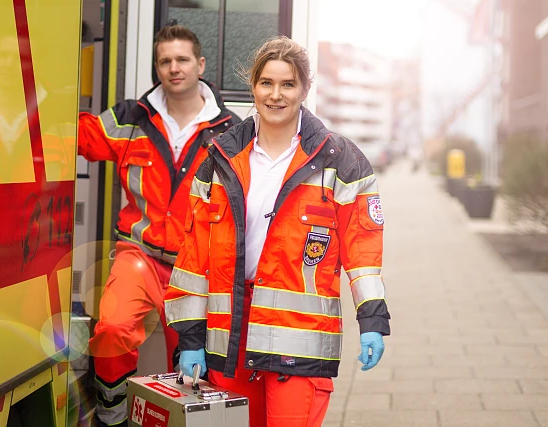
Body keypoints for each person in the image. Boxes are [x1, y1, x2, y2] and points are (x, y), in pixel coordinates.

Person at [164, 36, 391, 427]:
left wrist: (372, 320)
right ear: (253, 86)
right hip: (231, 337)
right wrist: (190, 337)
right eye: (266, 83)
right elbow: (193, 258)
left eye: (288, 84)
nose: (275, 95)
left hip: (298, 342)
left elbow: (363, 253)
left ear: (305, 89)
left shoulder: (341, 162)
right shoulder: (219, 159)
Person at [78, 24, 239, 427]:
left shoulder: (229, 131)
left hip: (194, 266)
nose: (174, 68)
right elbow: (80, 137)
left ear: (200, 64)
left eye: (182, 59)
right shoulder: (131, 118)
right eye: (165, 61)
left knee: (192, 362)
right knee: (111, 330)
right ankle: (112, 417)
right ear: (157, 67)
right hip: (139, 256)